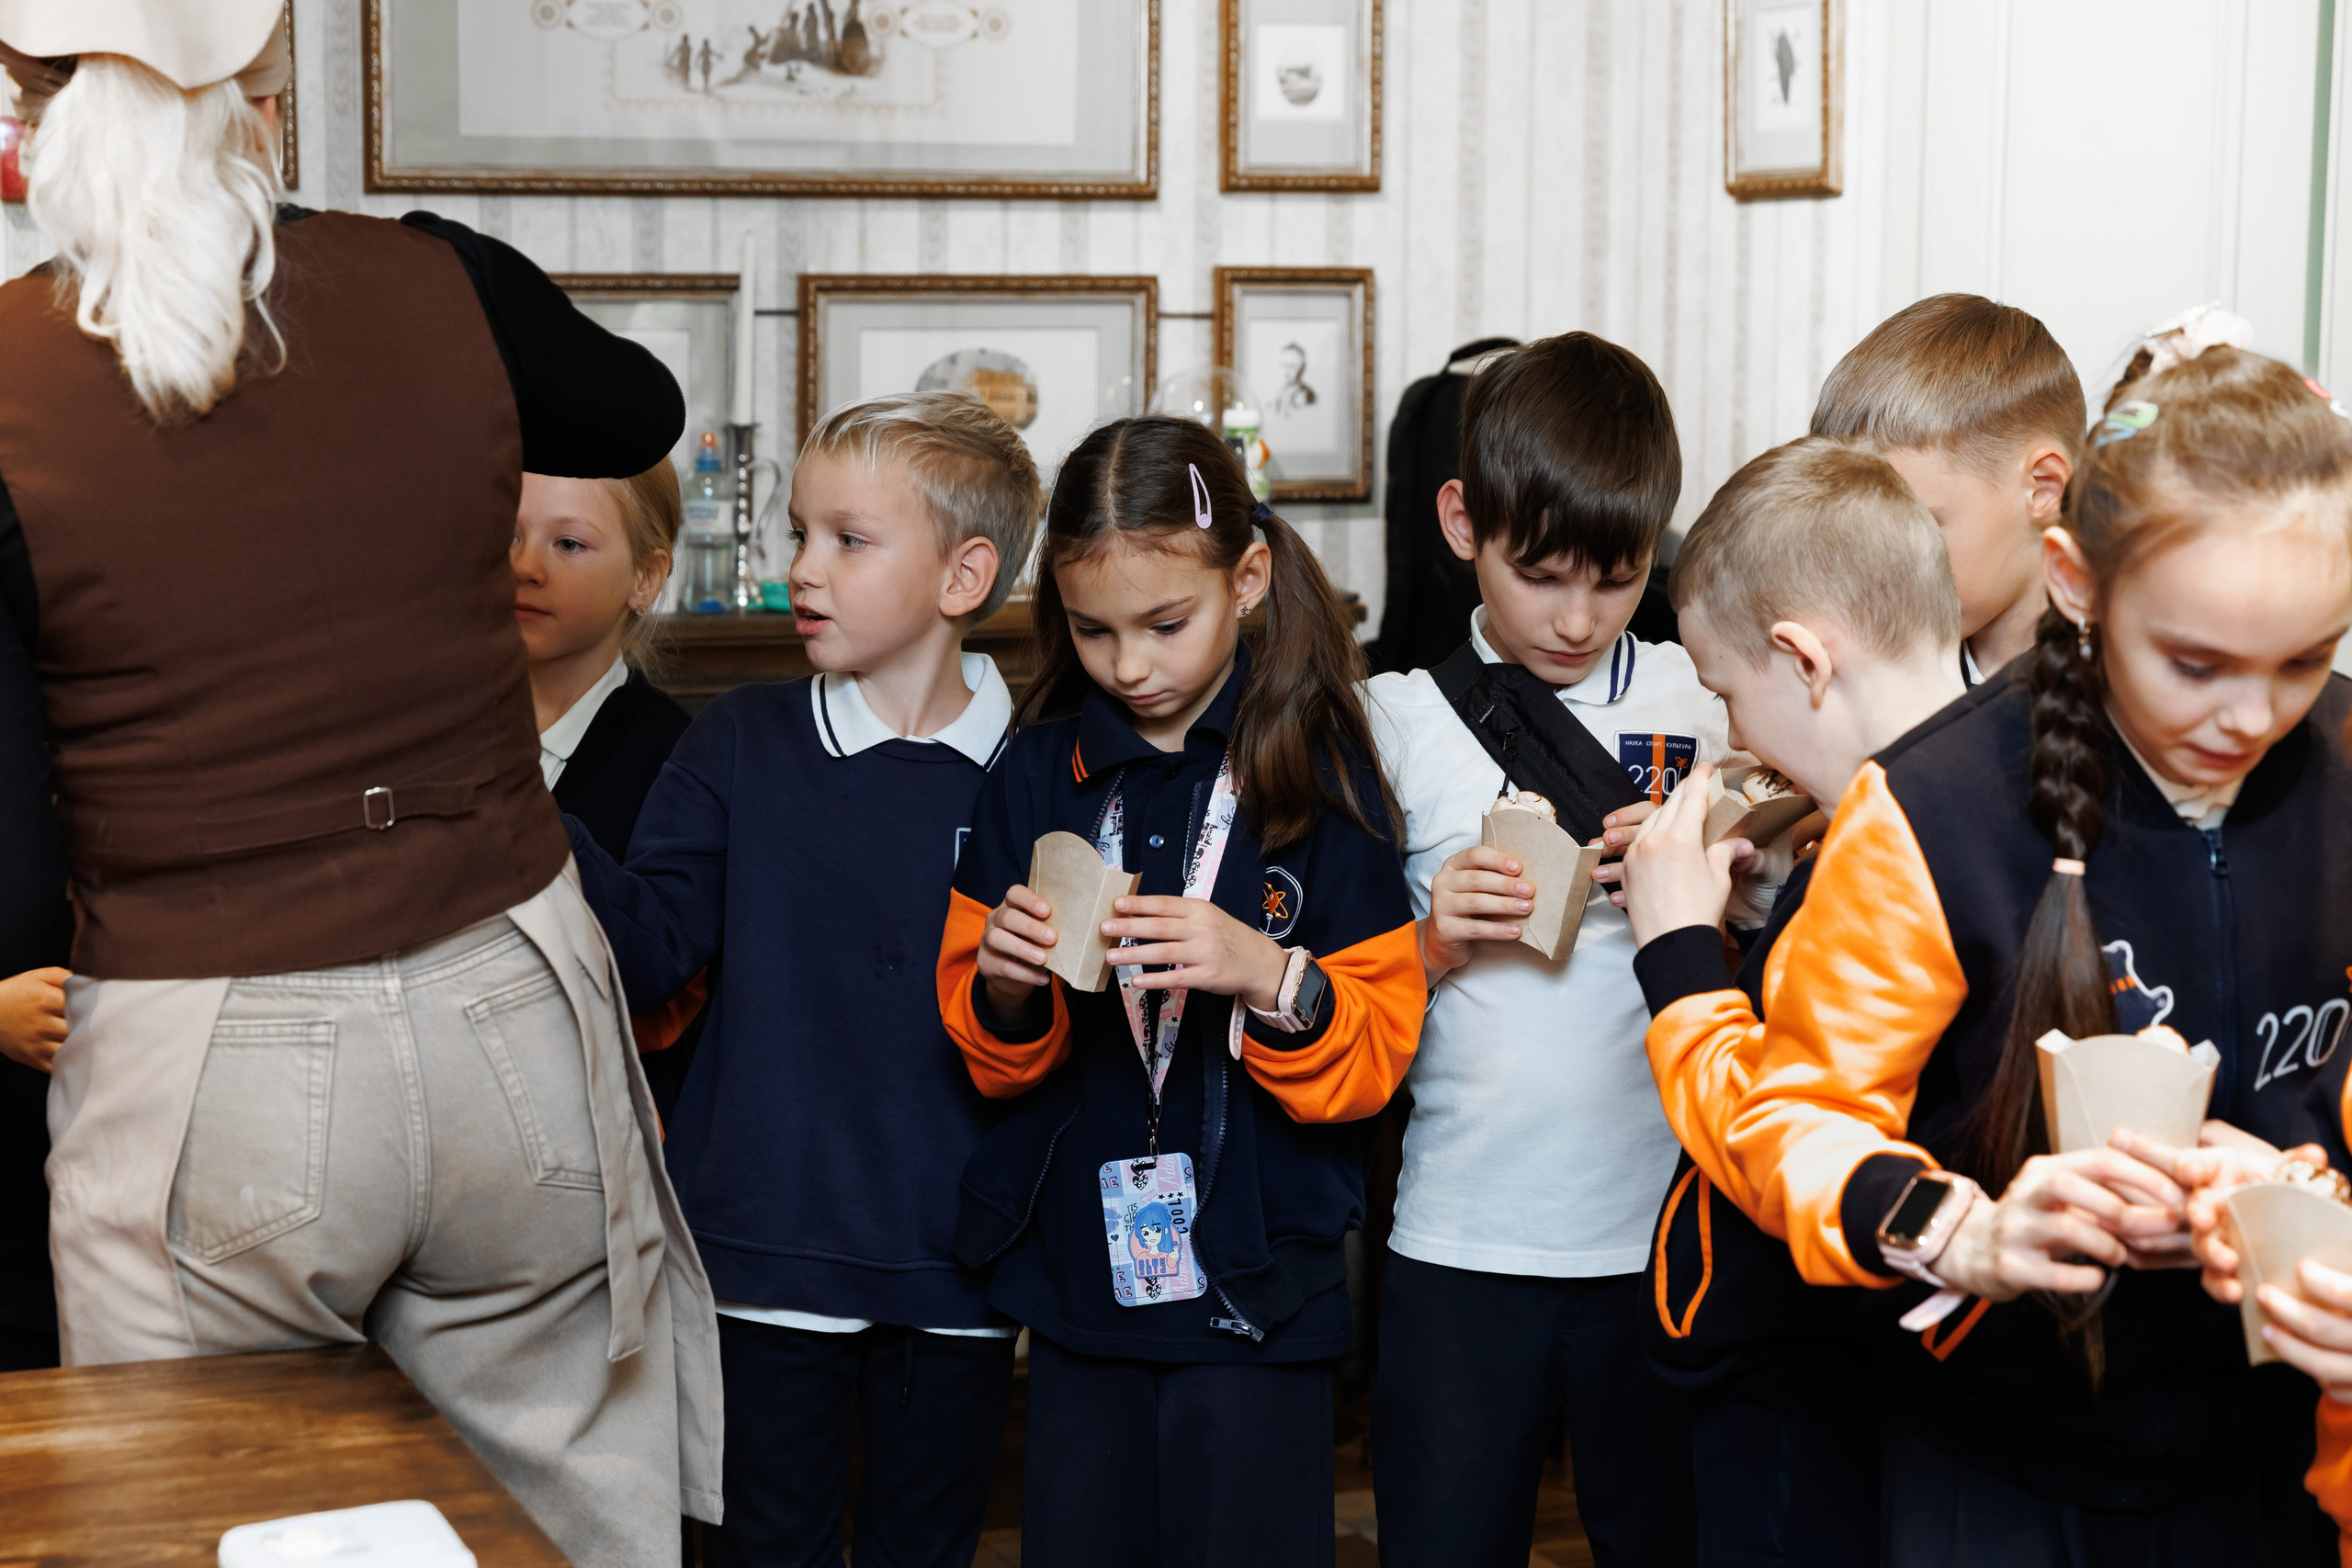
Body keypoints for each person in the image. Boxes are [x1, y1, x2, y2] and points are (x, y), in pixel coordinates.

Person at [0, 6, 719, 1562]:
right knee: (565, 1511)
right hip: (507, 999)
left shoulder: (9, 373)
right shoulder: (436, 276)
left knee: (203, 1510)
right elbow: (634, 410)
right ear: (265, 93)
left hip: (207, 1045)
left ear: (26, 109)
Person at [1701, 341, 2352, 1562]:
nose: (2254, 717)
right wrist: (1965, 1231)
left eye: (2307, 659)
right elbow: (1792, 1112)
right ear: (2076, 579)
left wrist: (2309, 1194)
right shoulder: (1935, 803)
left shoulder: (2346, 768)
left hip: (2275, 1461)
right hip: (1992, 1466)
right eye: (2196, 662)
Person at [568, 391, 1043, 1568]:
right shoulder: (734, 742)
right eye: (797, 534)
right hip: (758, 1259)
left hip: (959, 1272)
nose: (803, 569)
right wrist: (528, 812)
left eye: (848, 539)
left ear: (963, 575)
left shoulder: (1041, 774)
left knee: (923, 1550)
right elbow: (646, 954)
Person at [940, 415, 1422, 1568]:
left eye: (1167, 624)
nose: (1131, 666)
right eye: (1093, 630)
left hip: (1262, 1290)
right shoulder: (1032, 766)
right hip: (1078, 1287)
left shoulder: (1326, 771)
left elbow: (1376, 1055)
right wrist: (1005, 986)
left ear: (1246, 578)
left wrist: (1265, 973)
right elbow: (985, 1048)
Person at [1362, 331, 1722, 1567]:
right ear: (1462, 520)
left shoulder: (1706, 699)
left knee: (1664, 1538)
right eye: (1542, 574)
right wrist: (1433, 939)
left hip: (1665, 1231)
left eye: (1617, 579)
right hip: (1461, 1238)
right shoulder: (1395, 718)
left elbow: (1805, 895)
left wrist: (1713, 864)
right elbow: (1335, 997)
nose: (1577, 618)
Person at [1610, 437, 1965, 1564]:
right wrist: (1770, 915)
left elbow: (1784, 1136)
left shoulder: (1884, 836)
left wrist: (1675, 947)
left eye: (1727, 694)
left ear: (1802, 661)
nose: (1738, 740)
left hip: (1812, 1367)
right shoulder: (1985, 784)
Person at [1809, 293, 2084, 682]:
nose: (1873, 575)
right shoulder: (1862, 676)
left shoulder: (2128, 683)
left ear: (2043, 489)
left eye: (1912, 528)